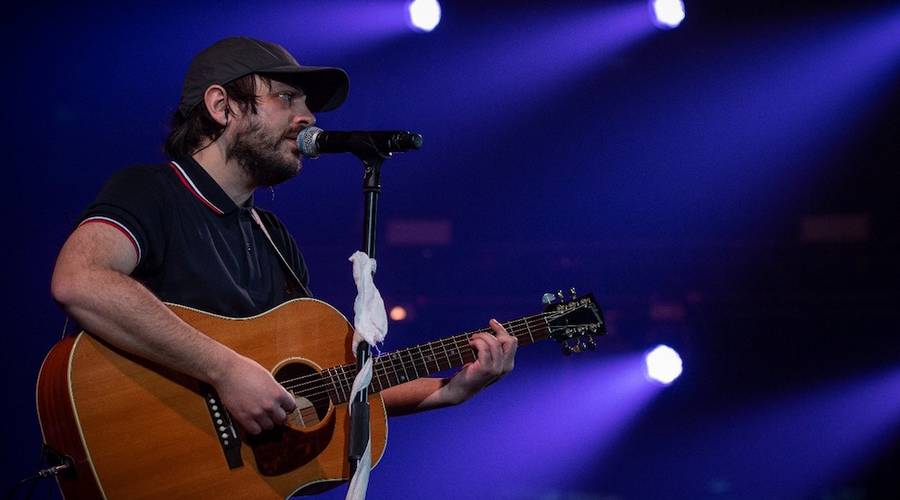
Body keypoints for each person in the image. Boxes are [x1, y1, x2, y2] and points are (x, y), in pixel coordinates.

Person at [50, 36, 517, 436]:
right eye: (287, 98)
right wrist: (224, 369)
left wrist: (449, 391)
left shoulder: (272, 237)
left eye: (307, 103)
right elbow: (80, 280)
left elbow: (319, 387)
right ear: (221, 106)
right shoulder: (153, 191)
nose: (308, 117)